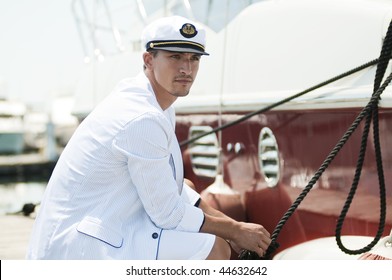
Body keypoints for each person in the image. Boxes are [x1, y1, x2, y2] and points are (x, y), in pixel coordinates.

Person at [26, 15, 271, 260]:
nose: (187, 68)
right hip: (78, 248)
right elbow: (166, 213)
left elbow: (178, 193)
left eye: (194, 58)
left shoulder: (154, 104)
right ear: (148, 59)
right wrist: (235, 231)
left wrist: (234, 227)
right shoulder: (142, 117)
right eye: (175, 57)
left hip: (98, 226)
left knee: (187, 187)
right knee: (213, 247)